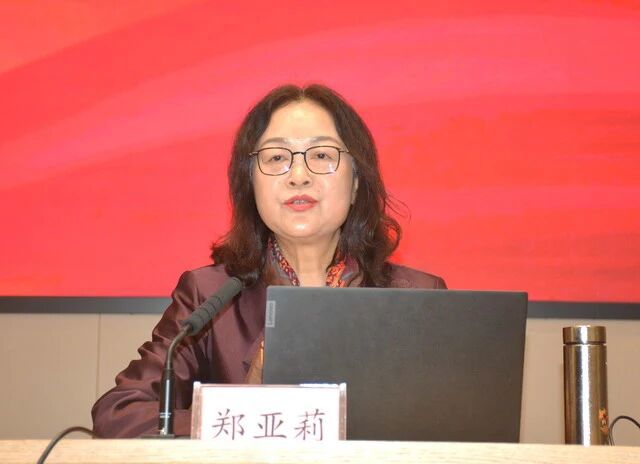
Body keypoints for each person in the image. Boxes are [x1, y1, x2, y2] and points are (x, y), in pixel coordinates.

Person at [91, 84, 446, 438]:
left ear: (355, 183)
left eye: (321, 155)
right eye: (276, 158)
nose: (299, 176)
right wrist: (245, 411)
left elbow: (456, 424)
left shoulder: (418, 297)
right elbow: (120, 412)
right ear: (251, 184)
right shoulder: (210, 297)